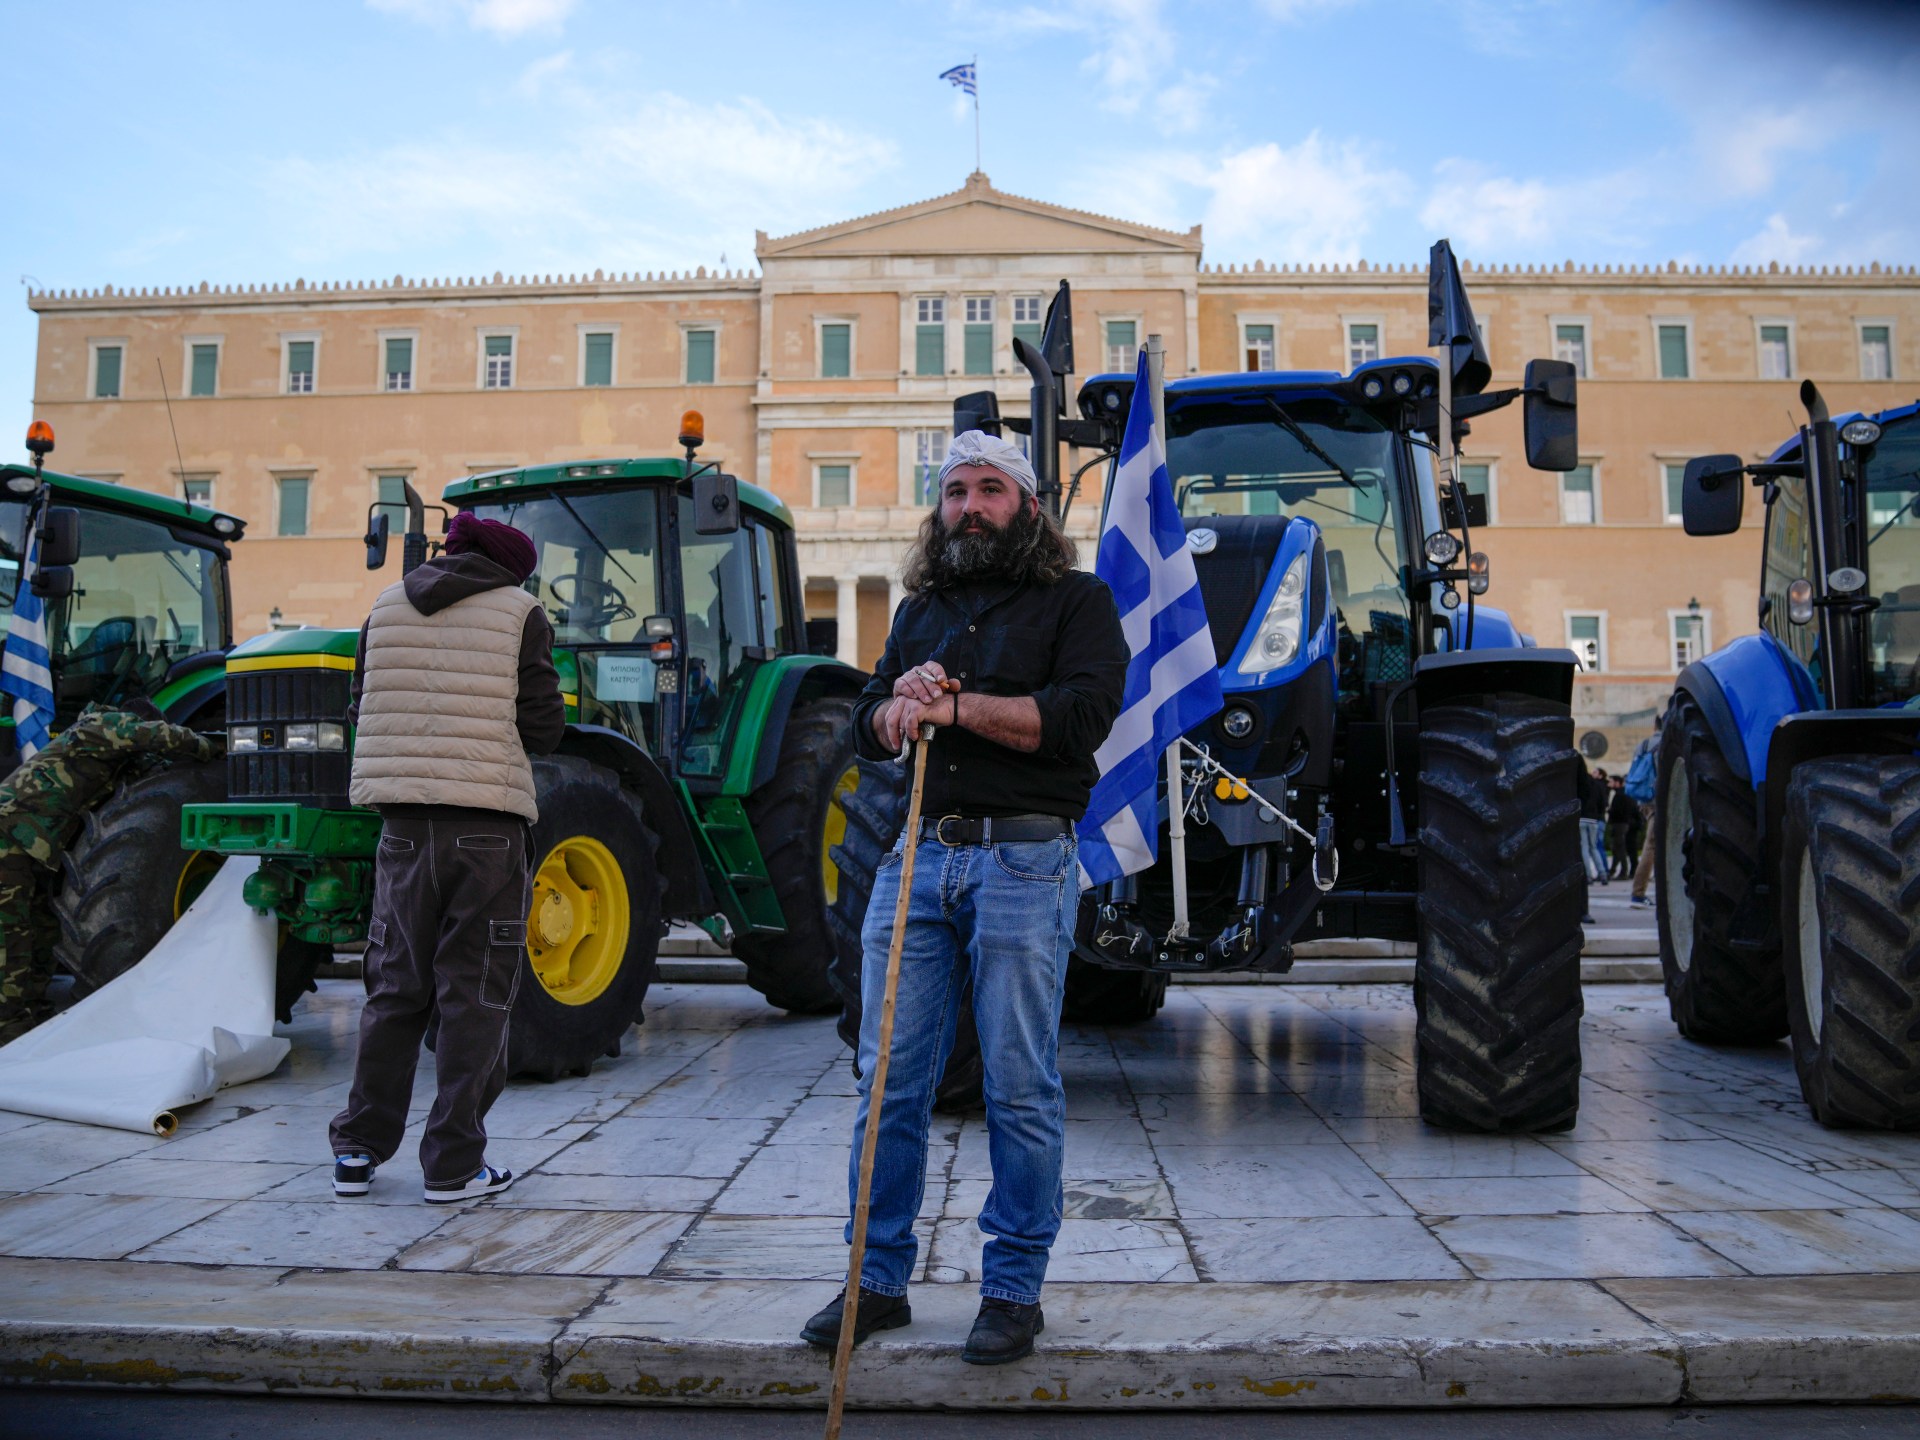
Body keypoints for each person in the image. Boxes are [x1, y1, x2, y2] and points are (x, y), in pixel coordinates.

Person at [802, 430, 1127, 1366]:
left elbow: (1075, 721)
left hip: (1026, 863)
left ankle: (1013, 1287)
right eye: (955, 492)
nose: (970, 507)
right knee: (886, 1084)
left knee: (1019, 1085)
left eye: (991, 490)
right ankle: (876, 1279)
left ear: (1027, 506)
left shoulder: (1078, 601)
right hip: (917, 860)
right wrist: (895, 705)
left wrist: (953, 708)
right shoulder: (921, 610)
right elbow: (867, 727)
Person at [328, 512, 563, 1204]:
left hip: (401, 827)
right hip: (486, 829)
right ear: (509, 568)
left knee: (395, 987)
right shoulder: (522, 613)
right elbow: (543, 727)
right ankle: (453, 1164)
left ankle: (357, 1152)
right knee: (475, 993)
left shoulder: (386, 605)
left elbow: (359, 706)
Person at [0, 703, 216, 1043]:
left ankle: (33, 1012)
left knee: (41, 928)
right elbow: (156, 736)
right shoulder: (101, 725)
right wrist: (209, 745)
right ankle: (6, 1026)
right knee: (10, 936)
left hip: (32, 845)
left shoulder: (101, 754)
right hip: (9, 838)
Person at [1625, 718, 1661, 909]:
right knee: (1652, 846)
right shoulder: (1667, 743)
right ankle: (1638, 894)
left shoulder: (1644, 744)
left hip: (1644, 800)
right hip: (1659, 801)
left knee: (1654, 845)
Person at [1577, 765, 1609, 885]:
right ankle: (1602, 874)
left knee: (1584, 848)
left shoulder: (1579, 785)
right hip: (1594, 819)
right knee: (1594, 847)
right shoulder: (1598, 785)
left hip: (1582, 818)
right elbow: (1602, 803)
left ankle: (1588, 876)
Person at [1606, 775, 1636, 880]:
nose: (1609, 784)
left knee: (1620, 848)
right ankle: (1614, 871)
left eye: (1611, 782)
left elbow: (1619, 810)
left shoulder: (1620, 795)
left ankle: (1623, 872)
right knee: (1617, 848)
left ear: (1618, 783)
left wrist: (1610, 811)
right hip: (1622, 823)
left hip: (1619, 824)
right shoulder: (1623, 793)